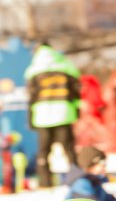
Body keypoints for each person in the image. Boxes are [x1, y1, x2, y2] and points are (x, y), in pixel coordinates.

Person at [24, 42, 81, 188]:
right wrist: (76, 110)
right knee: (68, 150)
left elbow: (31, 96)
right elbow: (76, 92)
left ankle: (44, 181)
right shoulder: (66, 66)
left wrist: (30, 117)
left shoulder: (33, 69)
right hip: (64, 113)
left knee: (43, 151)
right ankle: (77, 179)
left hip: (42, 116)